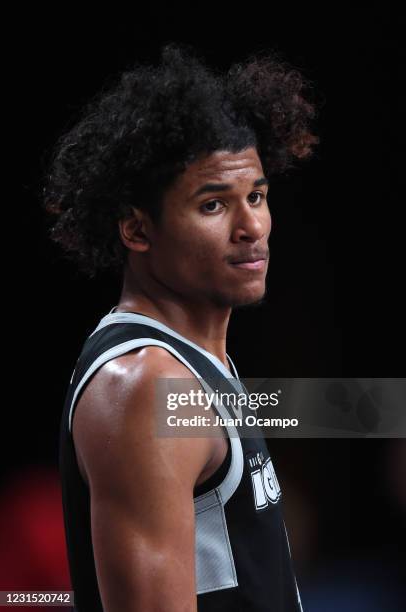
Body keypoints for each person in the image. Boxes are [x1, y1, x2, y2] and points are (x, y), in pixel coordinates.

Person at [44, 42, 319, 611]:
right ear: (137, 230)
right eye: (214, 205)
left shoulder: (195, 361)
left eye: (258, 196)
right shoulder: (142, 384)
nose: (252, 227)